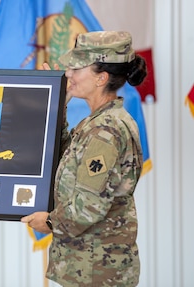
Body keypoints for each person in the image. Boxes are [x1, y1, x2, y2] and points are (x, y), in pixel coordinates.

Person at [21, 31, 147, 287]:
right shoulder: (98, 123)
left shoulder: (106, 130)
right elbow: (62, 162)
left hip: (97, 272)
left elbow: (88, 207)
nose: (69, 74)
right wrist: (59, 103)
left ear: (101, 78)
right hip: (89, 267)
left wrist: (47, 222)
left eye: (77, 68)